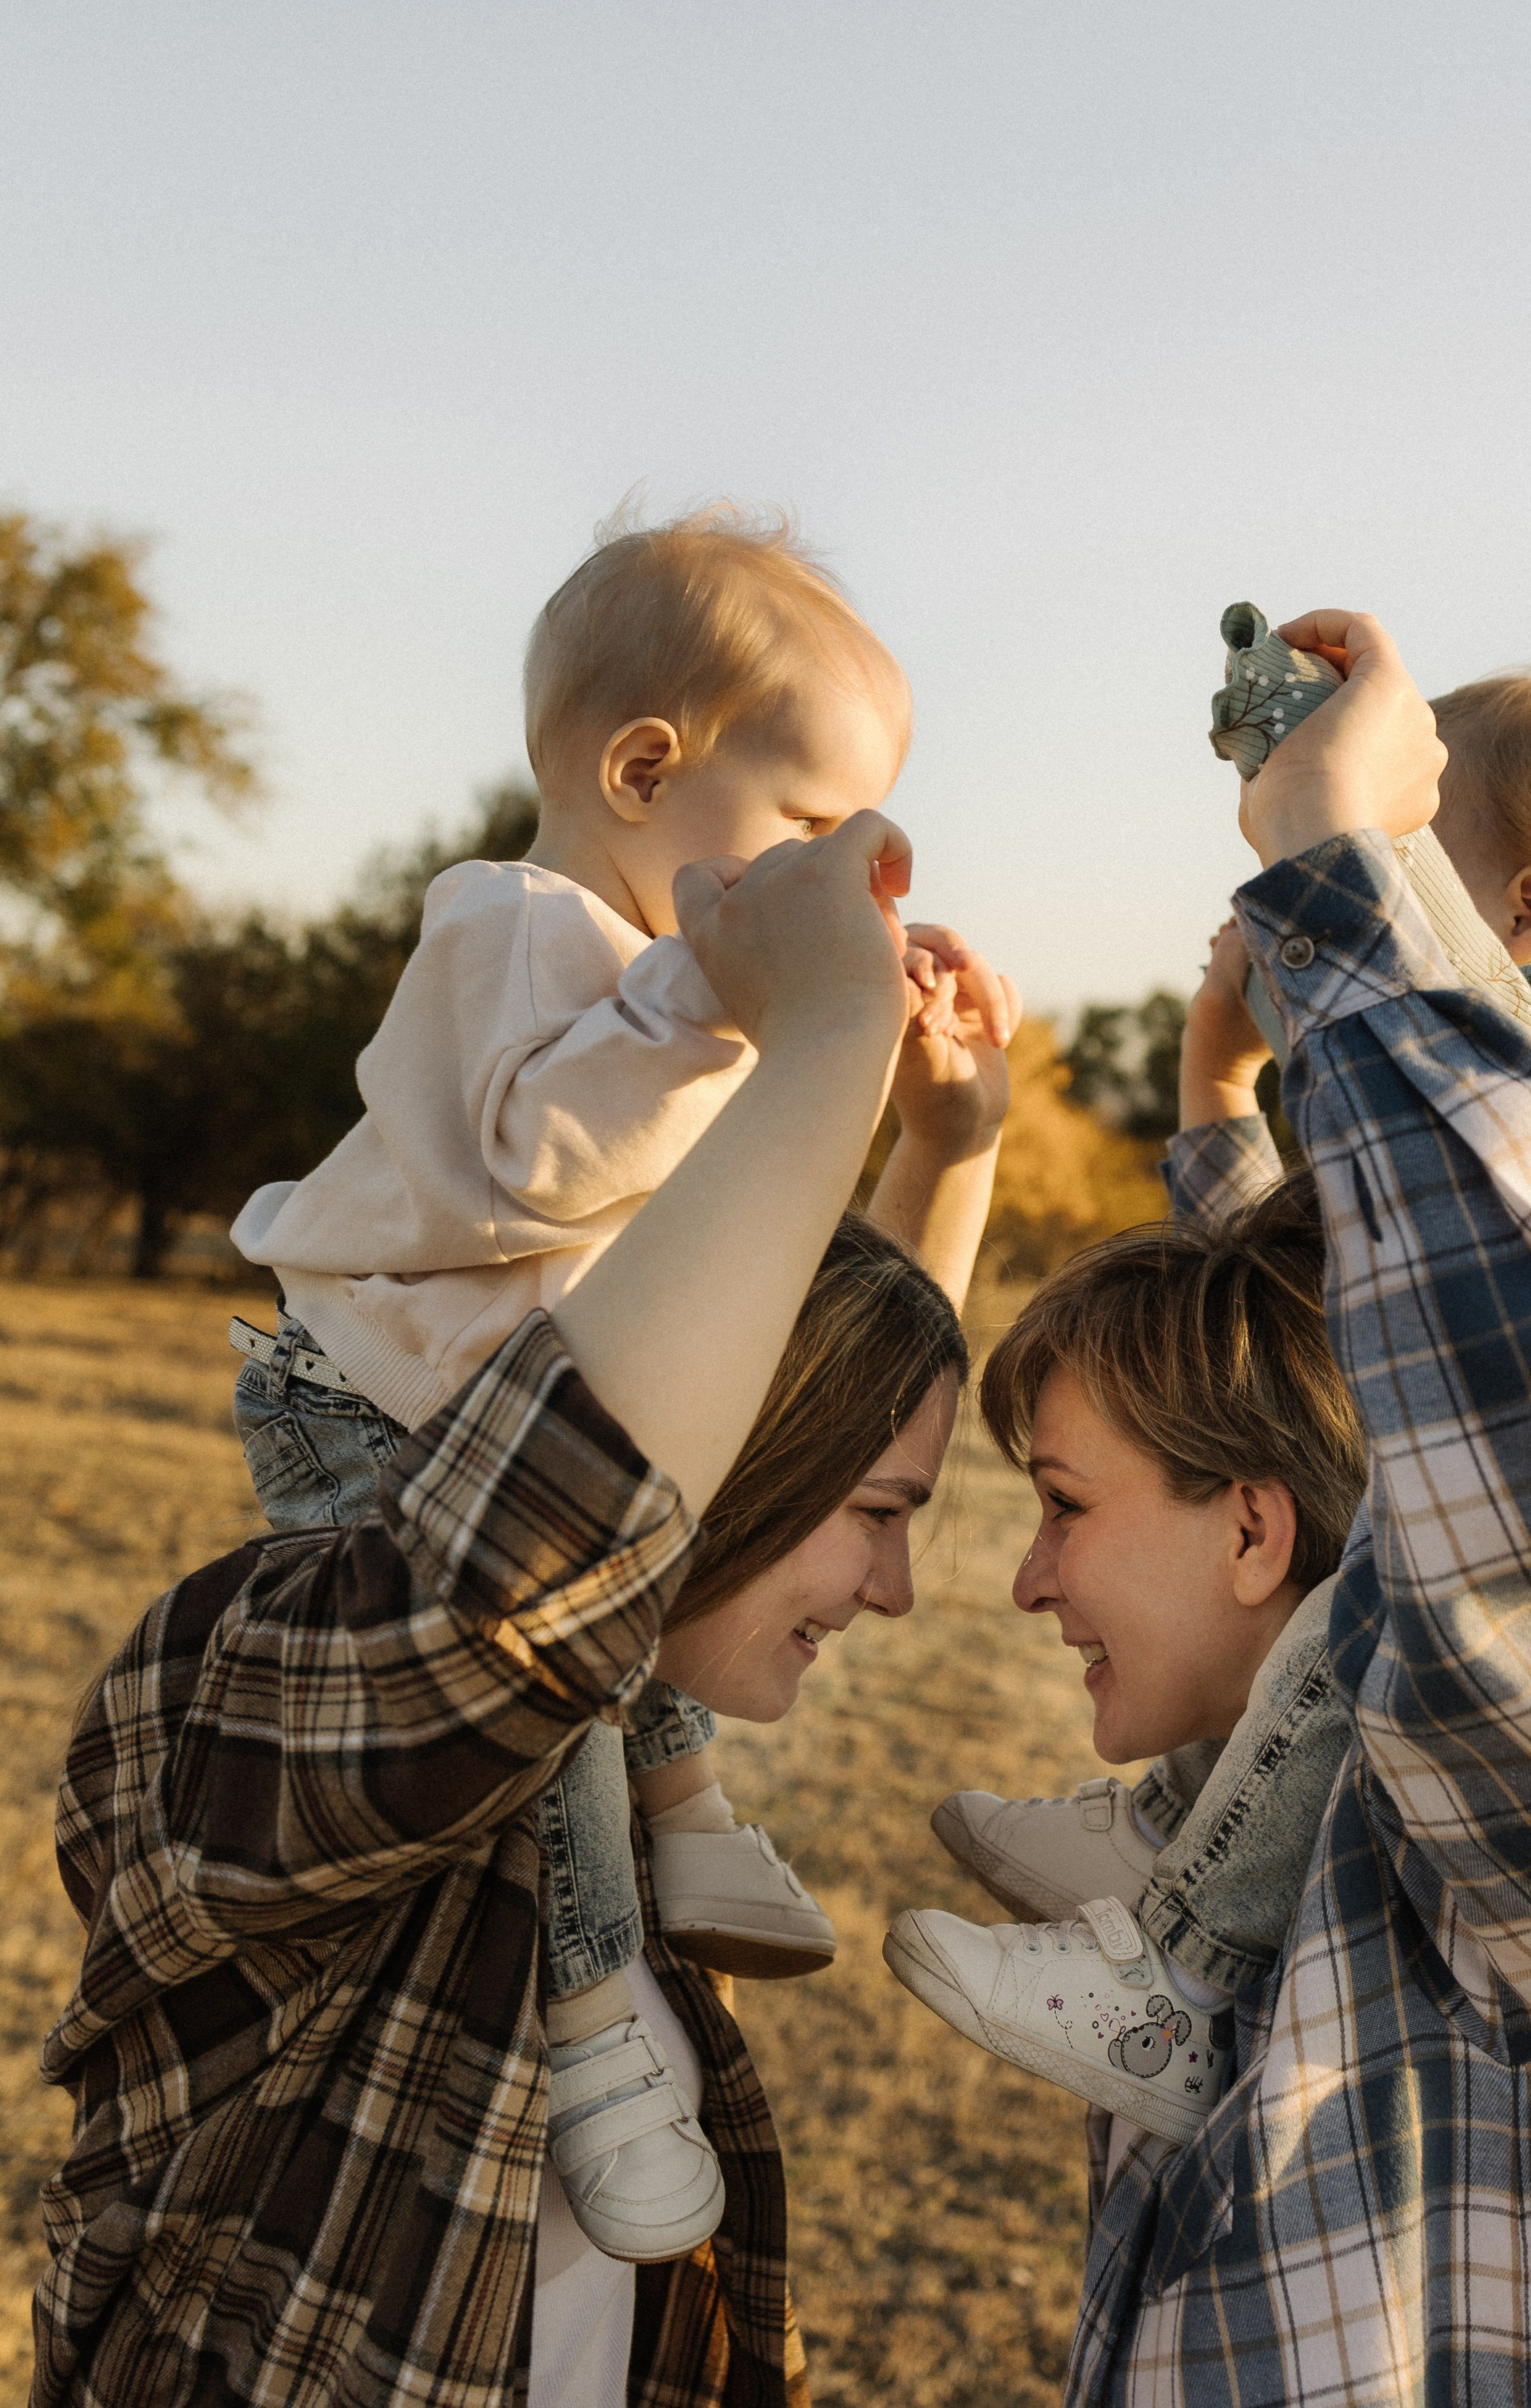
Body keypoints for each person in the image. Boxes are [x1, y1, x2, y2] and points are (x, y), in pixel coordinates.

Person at [889, 611, 1531, 2402]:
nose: (1018, 1579)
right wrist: (1216, 1100)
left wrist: (1337, 856)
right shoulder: (1372, 1788)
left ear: (1253, 1529)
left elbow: (1474, 1317)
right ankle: (1177, 1890)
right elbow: (1293, 1350)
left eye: (1059, 1508)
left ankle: (1166, 1953)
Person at [33, 809, 1002, 2408]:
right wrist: (821, 1038)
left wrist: (940, 1152)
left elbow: (792, 1419)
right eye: (881, 1524)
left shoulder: (604, 1772)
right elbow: (545, 1565)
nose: (894, 1592)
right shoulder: (263, 1673)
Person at [225, 504, 1010, 2257]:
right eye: (807, 822)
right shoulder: (518, 929)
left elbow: (784, 1352)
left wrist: (931, 1127)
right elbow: (532, 1156)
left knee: (628, 1571)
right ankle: (590, 2025)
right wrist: (754, 1015)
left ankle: (680, 1798)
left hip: (513, 1434)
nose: (832, 863)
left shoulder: (660, 993)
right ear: (646, 767)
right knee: (562, 1662)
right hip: (382, 1416)